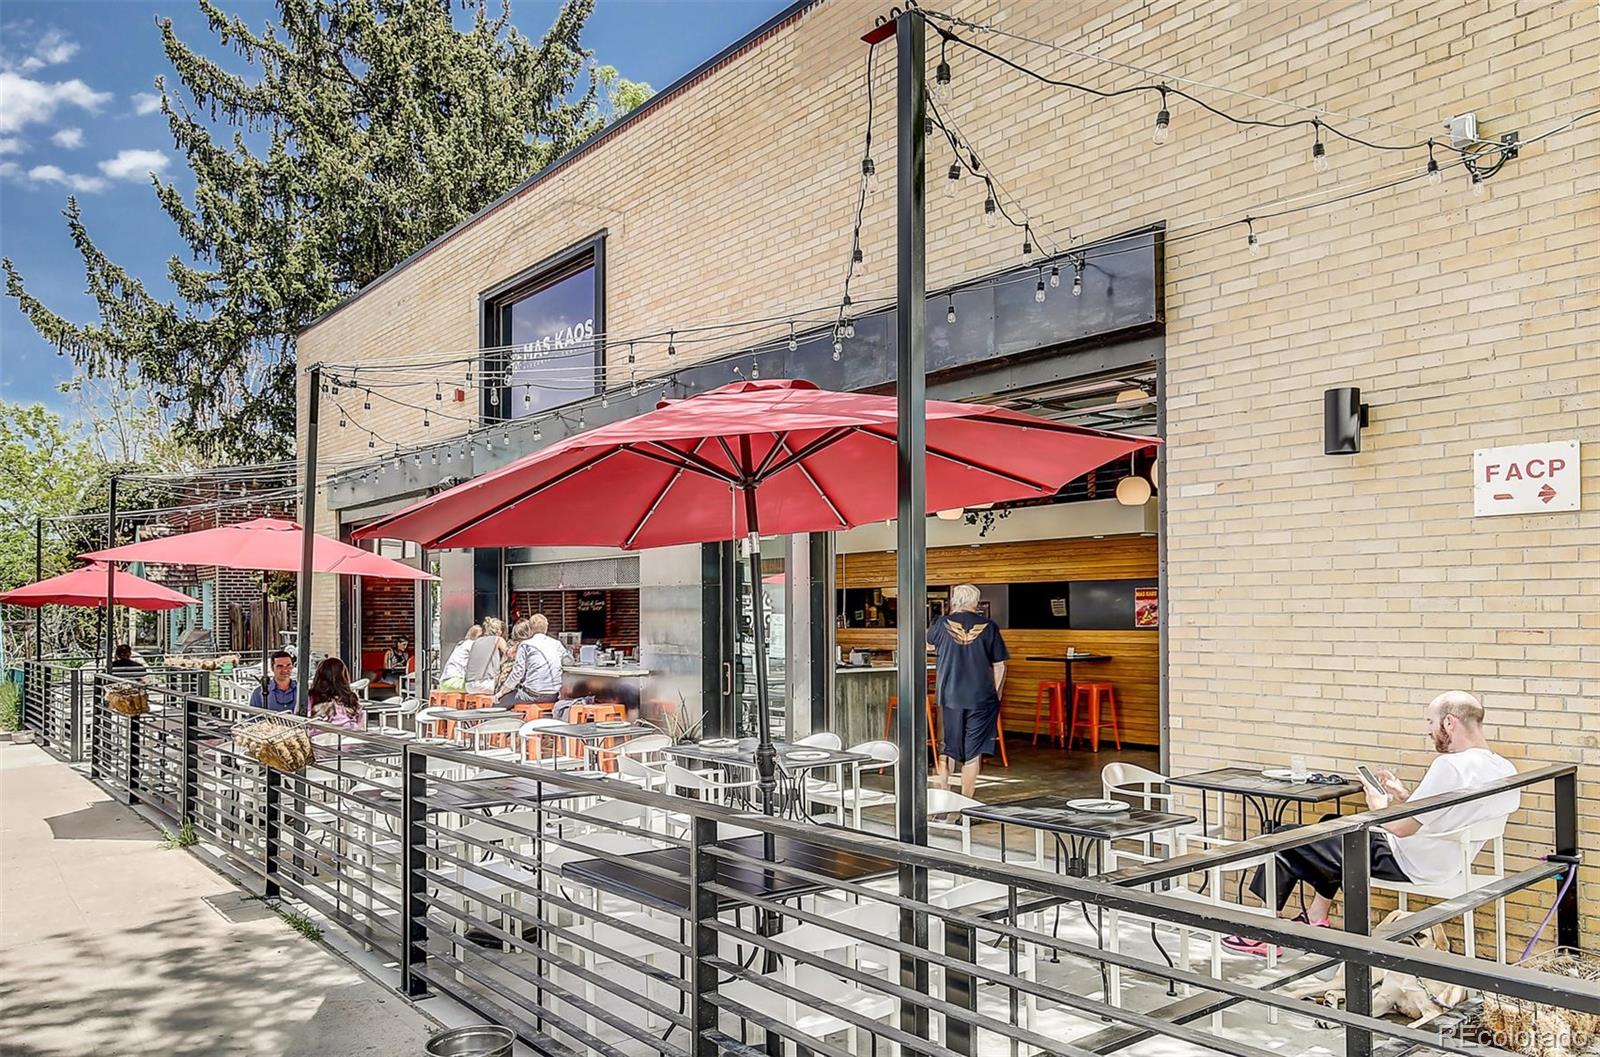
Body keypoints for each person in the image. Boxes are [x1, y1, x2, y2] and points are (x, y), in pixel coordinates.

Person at [1225, 691, 1519, 955]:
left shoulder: (1450, 765)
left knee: (1286, 838)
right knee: (1329, 824)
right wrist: (1404, 795)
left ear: (1450, 723)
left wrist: (1379, 806)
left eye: (1431, 722)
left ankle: (1263, 933)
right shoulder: (1504, 767)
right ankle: (1317, 917)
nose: (1429, 730)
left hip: (1407, 860)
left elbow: (1400, 829)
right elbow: (1445, 814)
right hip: (1447, 861)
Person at [926, 583, 1008, 800]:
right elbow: (999, 665)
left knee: (946, 749)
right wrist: (995, 694)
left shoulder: (941, 623)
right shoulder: (989, 626)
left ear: (954, 600)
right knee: (973, 753)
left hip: (949, 695)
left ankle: (943, 802)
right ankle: (965, 805)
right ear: (976, 602)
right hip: (981, 697)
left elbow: (927, 646)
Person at [497, 613, 571, 714]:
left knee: (498, 703)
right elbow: (569, 661)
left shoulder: (525, 645)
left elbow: (517, 674)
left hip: (532, 695)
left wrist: (501, 692)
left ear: (530, 630)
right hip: (553, 695)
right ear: (546, 628)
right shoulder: (556, 644)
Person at [308, 657, 365, 730]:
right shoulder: (351, 697)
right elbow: (359, 722)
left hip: (318, 734)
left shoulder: (311, 697)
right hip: (349, 734)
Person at [463, 617, 506, 694]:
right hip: (486, 684)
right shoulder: (498, 639)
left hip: (468, 686)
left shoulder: (476, 642)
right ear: (499, 631)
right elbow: (509, 654)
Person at [437, 625, 482, 692]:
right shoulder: (472, 644)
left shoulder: (462, 644)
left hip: (446, 682)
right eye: (480, 637)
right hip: (455, 681)